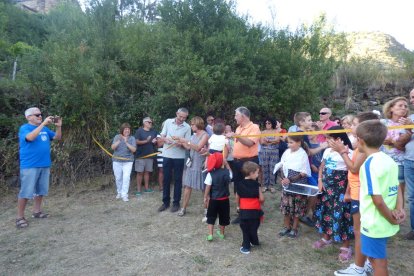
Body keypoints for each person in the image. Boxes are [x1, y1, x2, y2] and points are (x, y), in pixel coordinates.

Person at [332, 112, 380, 276]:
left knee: (359, 231)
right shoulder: (360, 146)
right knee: (361, 230)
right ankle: (366, 262)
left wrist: (342, 152)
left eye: (354, 124)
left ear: (364, 128)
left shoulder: (362, 148)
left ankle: (358, 268)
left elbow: (353, 168)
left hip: (361, 194)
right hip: (356, 191)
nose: (351, 127)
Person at [356, 120, 405, 276]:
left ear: (361, 141)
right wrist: (399, 208)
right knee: (374, 256)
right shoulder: (389, 159)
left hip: (375, 222)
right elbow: (397, 186)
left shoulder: (369, 165)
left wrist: (391, 217)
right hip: (385, 218)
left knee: (379, 262)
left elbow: (377, 200)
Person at [16, 107, 62, 229]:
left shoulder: (45, 129)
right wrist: (42, 124)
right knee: (26, 192)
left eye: (41, 114)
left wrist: (58, 126)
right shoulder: (24, 128)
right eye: (37, 115)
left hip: (44, 164)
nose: (40, 116)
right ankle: (20, 217)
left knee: (40, 190)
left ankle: (37, 211)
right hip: (30, 165)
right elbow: (30, 138)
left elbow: (57, 137)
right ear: (28, 117)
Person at [313, 126, 354, 263]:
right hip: (326, 189)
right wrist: (319, 180)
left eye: (329, 138)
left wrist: (348, 192)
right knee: (326, 212)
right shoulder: (327, 151)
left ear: (338, 139)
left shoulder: (349, 152)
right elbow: (322, 167)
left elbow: (352, 174)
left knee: (342, 215)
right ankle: (326, 237)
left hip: (341, 191)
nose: (326, 141)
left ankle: (346, 246)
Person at [225, 107, 261, 224]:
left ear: (243, 116)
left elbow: (250, 143)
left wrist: (236, 136)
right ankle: (241, 212)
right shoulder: (238, 128)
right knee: (238, 187)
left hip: (249, 162)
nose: (234, 117)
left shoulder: (254, 127)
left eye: (236, 115)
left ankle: (253, 212)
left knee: (250, 187)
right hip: (237, 162)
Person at [277, 135, 311, 238]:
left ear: (299, 143)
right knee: (286, 206)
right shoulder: (287, 152)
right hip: (287, 183)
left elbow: (304, 173)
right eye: (288, 142)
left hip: (298, 184)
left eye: (291, 142)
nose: (288, 144)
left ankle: (294, 228)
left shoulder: (302, 154)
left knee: (297, 207)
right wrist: (283, 178)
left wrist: (290, 180)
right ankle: (286, 226)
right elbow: (282, 165)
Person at [158, 108, 191, 212]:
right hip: (167, 155)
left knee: (177, 180)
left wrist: (180, 144)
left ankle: (176, 203)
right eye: (180, 116)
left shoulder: (187, 127)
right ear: (176, 113)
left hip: (179, 158)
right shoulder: (168, 122)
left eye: (184, 117)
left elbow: (188, 145)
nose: (182, 119)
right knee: (166, 179)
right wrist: (165, 139)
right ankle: (165, 202)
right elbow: (162, 136)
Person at [381, 97, 411, 202]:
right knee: (384, 191)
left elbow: (402, 146)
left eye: (406, 106)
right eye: (400, 105)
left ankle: (400, 215)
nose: (404, 108)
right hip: (383, 162)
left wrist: (392, 142)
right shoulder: (383, 123)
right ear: (391, 109)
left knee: (399, 193)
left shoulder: (408, 125)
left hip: (400, 162)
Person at [177, 116, 209, 216]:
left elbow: (198, 147)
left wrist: (186, 141)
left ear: (198, 124)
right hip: (191, 164)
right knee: (187, 186)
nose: (191, 126)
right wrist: (181, 142)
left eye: (192, 124)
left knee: (204, 188)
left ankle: (206, 210)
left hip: (200, 164)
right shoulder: (193, 135)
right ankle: (183, 208)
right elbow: (189, 147)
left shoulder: (205, 135)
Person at [237, 161, 264, 254]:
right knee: (254, 227)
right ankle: (255, 242)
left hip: (244, 211)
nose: (258, 174)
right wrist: (261, 202)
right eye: (257, 172)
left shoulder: (239, 184)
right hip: (255, 210)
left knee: (245, 229)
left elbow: (238, 197)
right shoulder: (257, 185)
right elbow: (261, 198)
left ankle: (246, 247)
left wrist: (238, 206)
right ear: (251, 173)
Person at [204, 152, 232, 241]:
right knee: (223, 216)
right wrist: (227, 164)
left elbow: (208, 186)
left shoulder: (210, 174)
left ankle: (210, 234)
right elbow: (231, 175)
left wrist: (205, 197)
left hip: (214, 199)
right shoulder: (227, 172)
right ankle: (222, 233)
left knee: (211, 216)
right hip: (225, 199)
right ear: (222, 162)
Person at [111, 123, 136, 202]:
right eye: (125, 129)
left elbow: (134, 150)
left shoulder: (132, 138)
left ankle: (124, 194)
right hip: (117, 161)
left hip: (128, 162)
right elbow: (112, 147)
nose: (127, 130)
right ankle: (119, 192)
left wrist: (126, 142)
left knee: (126, 177)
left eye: (128, 129)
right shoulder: (117, 137)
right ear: (122, 130)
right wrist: (119, 141)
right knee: (118, 178)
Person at [134, 117, 158, 195]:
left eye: (151, 122)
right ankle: (138, 190)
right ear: (144, 123)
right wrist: (146, 141)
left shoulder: (154, 131)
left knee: (147, 172)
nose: (151, 124)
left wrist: (155, 142)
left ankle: (147, 188)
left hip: (150, 155)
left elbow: (156, 141)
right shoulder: (139, 131)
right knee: (140, 173)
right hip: (140, 156)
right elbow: (136, 142)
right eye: (149, 122)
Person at [403, 88, 414, 240]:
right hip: (409, 160)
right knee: (412, 197)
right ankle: (413, 229)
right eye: (411, 97)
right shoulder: (410, 117)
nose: (411, 100)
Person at [259, 118, 280, 193]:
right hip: (264, 152)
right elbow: (261, 142)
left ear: (272, 123)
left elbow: (277, 140)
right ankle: (264, 185)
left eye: (269, 123)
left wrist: (268, 141)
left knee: (272, 168)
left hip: (274, 152)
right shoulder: (263, 132)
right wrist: (272, 141)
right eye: (266, 123)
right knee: (264, 168)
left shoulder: (276, 131)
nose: (267, 124)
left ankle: (271, 186)